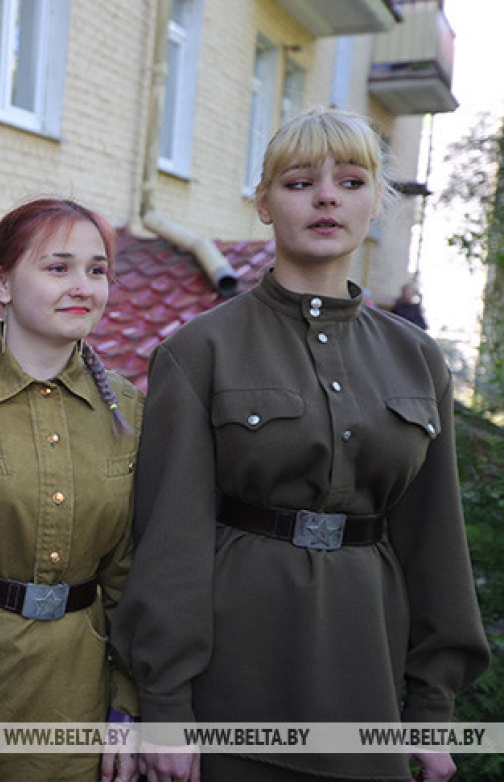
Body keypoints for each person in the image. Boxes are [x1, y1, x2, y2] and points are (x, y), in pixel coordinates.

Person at [112, 107, 489, 782]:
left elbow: (437, 540)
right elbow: (170, 539)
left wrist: (432, 710)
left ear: (375, 202)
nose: (325, 197)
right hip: (229, 686)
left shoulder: (416, 359)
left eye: (350, 181)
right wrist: (165, 705)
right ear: (262, 204)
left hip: (363, 681)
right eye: (297, 183)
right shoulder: (199, 351)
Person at [0, 198, 141, 782]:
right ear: (1, 282)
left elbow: (132, 573)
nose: (83, 287)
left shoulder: (132, 413)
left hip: (80, 700)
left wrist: (133, 705)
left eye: (97, 271)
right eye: (58, 267)